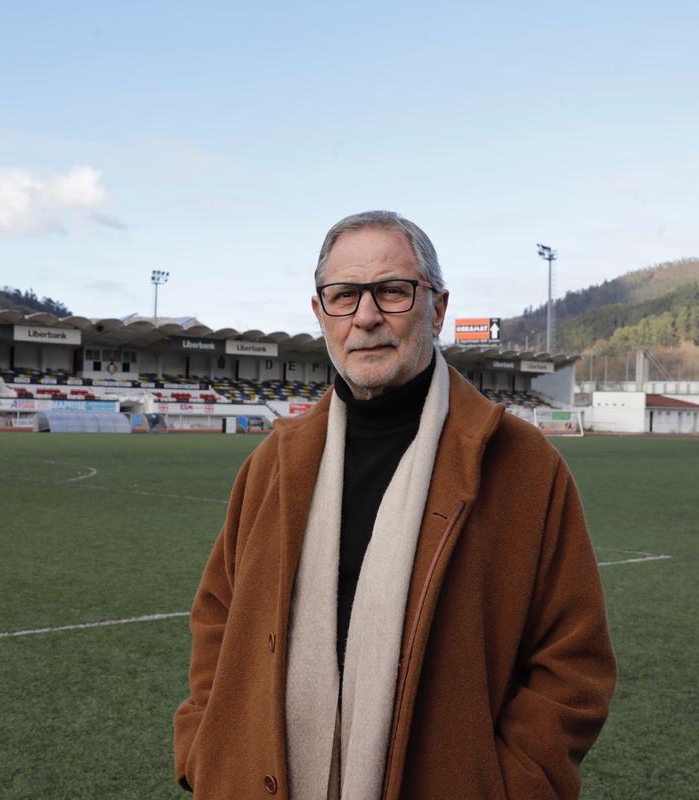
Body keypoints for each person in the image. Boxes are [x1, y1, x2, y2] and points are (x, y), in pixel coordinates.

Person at [174, 211, 616, 799]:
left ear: (436, 308)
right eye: (344, 296)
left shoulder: (522, 465)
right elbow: (217, 618)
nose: (366, 316)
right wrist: (205, 745)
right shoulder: (273, 464)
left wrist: (509, 786)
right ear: (320, 314)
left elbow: (573, 663)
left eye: (392, 291)